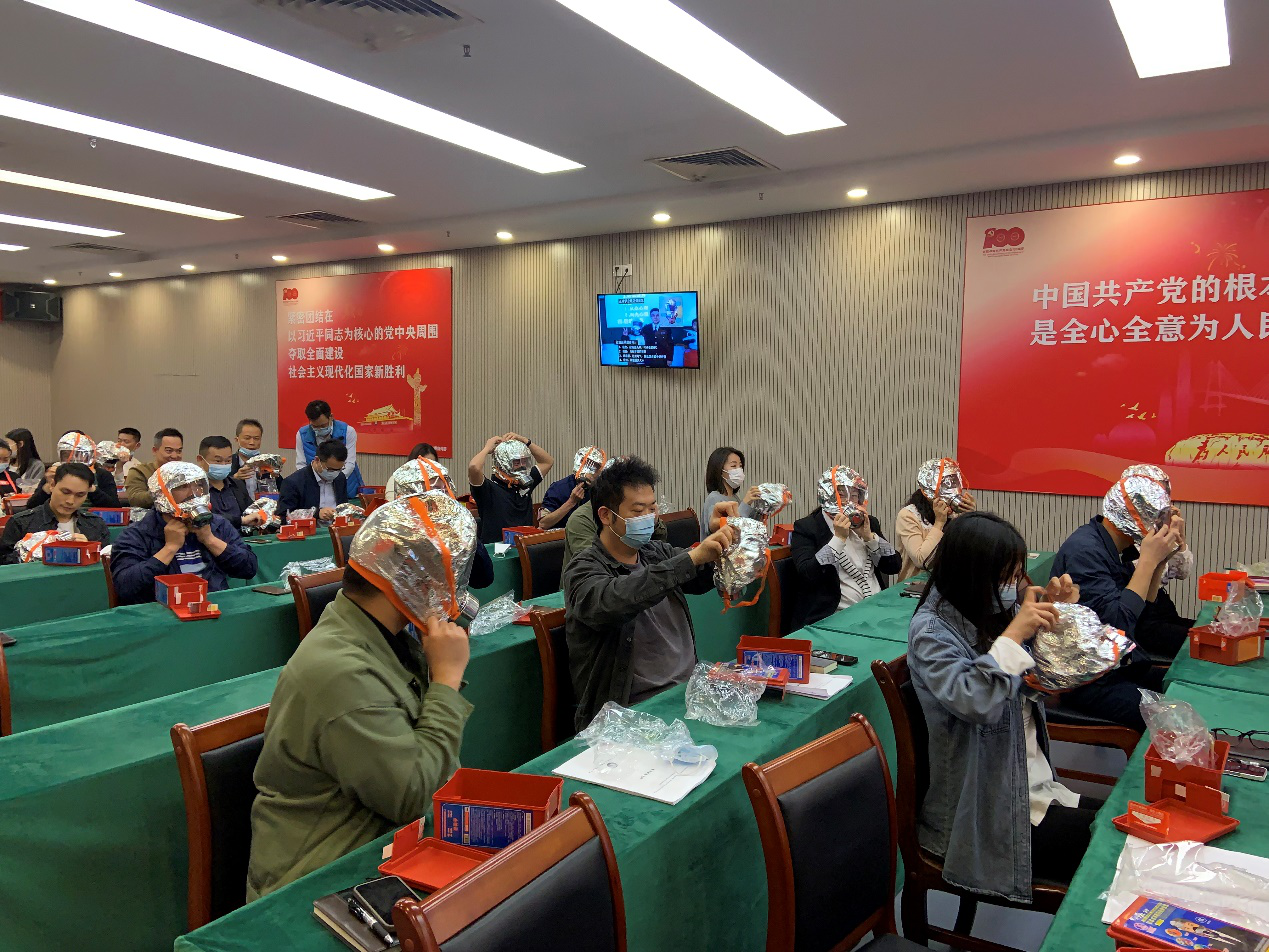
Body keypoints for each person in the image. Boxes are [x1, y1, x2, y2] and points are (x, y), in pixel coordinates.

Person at [246, 494, 480, 899]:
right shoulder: (341, 672)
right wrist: (446, 680)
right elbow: (411, 795)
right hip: (319, 878)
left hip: (380, 844)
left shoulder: (384, 637)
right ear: (417, 582)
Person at [908, 511, 1100, 899]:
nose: (1013, 587)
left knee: (1131, 820)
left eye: (1015, 576)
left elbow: (1049, 686)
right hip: (989, 814)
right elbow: (977, 701)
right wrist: (1014, 635)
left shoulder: (991, 612)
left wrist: (1058, 620)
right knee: (1115, 846)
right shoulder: (931, 632)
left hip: (1028, 784)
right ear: (973, 575)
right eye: (1006, 578)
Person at [563, 456, 737, 730]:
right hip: (631, 713)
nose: (649, 518)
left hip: (689, 692)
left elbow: (703, 574)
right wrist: (691, 559)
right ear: (606, 515)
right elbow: (614, 600)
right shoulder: (583, 569)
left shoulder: (655, 552)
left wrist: (721, 534)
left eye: (652, 508)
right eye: (638, 510)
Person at [1051, 474, 1178, 730]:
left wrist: (1160, 560)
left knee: (1184, 684)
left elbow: (1143, 616)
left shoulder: (1113, 546)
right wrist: (1147, 560)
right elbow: (1118, 625)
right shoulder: (1086, 551)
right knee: (1173, 720)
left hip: (1118, 664)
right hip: (1088, 679)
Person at [110, 461, 257, 605]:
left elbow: (249, 569)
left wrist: (210, 540)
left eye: (199, 485)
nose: (193, 493)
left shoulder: (217, 525)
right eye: (182, 486)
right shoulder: (138, 533)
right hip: (162, 612)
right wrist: (169, 548)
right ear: (162, 493)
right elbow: (125, 588)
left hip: (212, 606)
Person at [790, 467, 903, 629]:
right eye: (842, 494)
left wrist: (870, 538)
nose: (849, 501)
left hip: (877, 610)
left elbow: (894, 566)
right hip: (834, 617)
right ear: (827, 495)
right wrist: (838, 540)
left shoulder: (869, 522)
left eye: (854, 495)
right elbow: (808, 574)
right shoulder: (808, 527)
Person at [1121, 464, 1196, 647]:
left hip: (1161, 605)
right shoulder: (1126, 536)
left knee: (1208, 630)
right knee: (1199, 642)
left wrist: (1178, 534)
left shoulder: (1156, 528)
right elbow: (1144, 581)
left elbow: (1182, 572)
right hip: (1142, 618)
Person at [0, 462, 110, 563]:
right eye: (65, 492)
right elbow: (5, 566)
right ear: (52, 485)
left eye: (80, 495)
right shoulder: (21, 523)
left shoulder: (96, 525)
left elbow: (106, 567)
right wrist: (33, 551)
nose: (70, 501)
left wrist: (89, 551)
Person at [895, 457, 978, 582]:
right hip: (916, 586)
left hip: (952, 583)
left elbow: (973, 552)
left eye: (954, 483)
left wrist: (971, 518)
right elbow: (922, 561)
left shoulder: (955, 514)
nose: (951, 491)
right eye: (944, 485)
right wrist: (939, 523)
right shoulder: (908, 515)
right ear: (929, 491)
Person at [467, 433, 554, 544]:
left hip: (523, 546)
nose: (522, 466)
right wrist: (487, 448)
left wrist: (525, 441)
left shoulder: (524, 483)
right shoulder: (488, 489)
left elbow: (547, 461)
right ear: (502, 464)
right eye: (516, 462)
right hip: (496, 550)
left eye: (524, 461)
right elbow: (474, 467)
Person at [24, 431, 120, 509]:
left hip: (92, 520)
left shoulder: (102, 475)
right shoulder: (55, 474)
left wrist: (91, 488)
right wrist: (48, 486)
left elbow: (115, 507)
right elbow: (31, 506)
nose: (72, 459)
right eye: (67, 455)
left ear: (88, 455)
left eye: (78, 455)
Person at [295, 399, 363, 498]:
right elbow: (301, 464)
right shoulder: (302, 435)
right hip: (315, 488)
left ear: (331, 417)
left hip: (347, 487)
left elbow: (350, 463)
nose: (319, 429)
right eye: (315, 426)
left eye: (323, 425)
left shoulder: (348, 431)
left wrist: (333, 479)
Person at [197, 435, 265, 531]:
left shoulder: (237, 485)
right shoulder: (194, 490)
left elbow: (252, 510)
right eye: (218, 461)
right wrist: (241, 521)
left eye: (228, 460)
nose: (224, 465)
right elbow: (207, 519)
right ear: (200, 460)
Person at [278, 440, 349, 523]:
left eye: (339, 469)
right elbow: (285, 516)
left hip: (336, 527)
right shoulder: (293, 483)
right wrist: (316, 514)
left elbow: (343, 506)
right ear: (317, 460)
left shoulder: (340, 478)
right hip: (308, 529)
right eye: (330, 469)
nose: (334, 473)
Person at [700, 446, 762, 539]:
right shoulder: (714, 498)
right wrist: (745, 503)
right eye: (733, 466)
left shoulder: (734, 497)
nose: (739, 470)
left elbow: (746, 525)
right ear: (720, 470)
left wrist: (761, 508)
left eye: (740, 466)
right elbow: (728, 528)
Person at [539, 446, 606, 530]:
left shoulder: (599, 490)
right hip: (561, 536)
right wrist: (571, 502)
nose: (590, 471)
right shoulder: (559, 488)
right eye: (587, 464)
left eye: (595, 467)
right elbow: (543, 523)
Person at [125, 428, 184, 508]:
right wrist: (163, 490)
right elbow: (135, 500)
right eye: (169, 451)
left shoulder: (186, 473)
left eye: (179, 451)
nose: (174, 456)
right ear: (155, 450)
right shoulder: (140, 471)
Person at [230, 418, 266, 498]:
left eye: (256, 438)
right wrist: (235, 478)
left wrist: (274, 476)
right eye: (247, 438)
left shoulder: (266, 463)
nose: (252, 443)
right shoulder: (228, 463)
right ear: (237, 440)